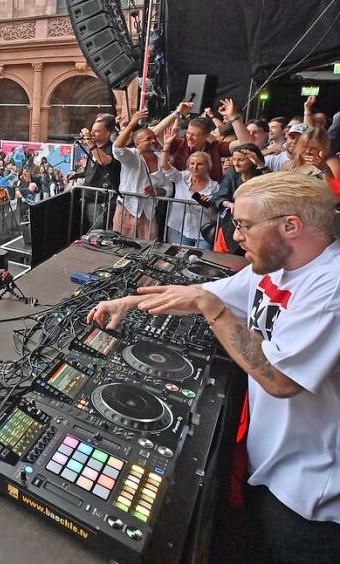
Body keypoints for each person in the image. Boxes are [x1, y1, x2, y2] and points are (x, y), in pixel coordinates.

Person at [88, 173, 340, 564]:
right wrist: (128, 303)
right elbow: (201, 293)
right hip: (274, 467)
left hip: (310, 497)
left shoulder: (331, 287)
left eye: (244, 225)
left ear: (291, 226)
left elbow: (280, 379)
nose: (236, 236)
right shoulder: (275, 266)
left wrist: (214, 311)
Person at [111, 110, 163, 240]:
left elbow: (168, 188)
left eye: (154, 138)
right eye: (148, 139)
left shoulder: (162, 159)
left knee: (148, 250)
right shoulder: (131, 155)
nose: (153, 141)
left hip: (149, 212)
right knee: (121, 246)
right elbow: (117, 149)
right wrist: (131, 125)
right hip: (126, 209)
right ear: (137, 143)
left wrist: (156, 191)